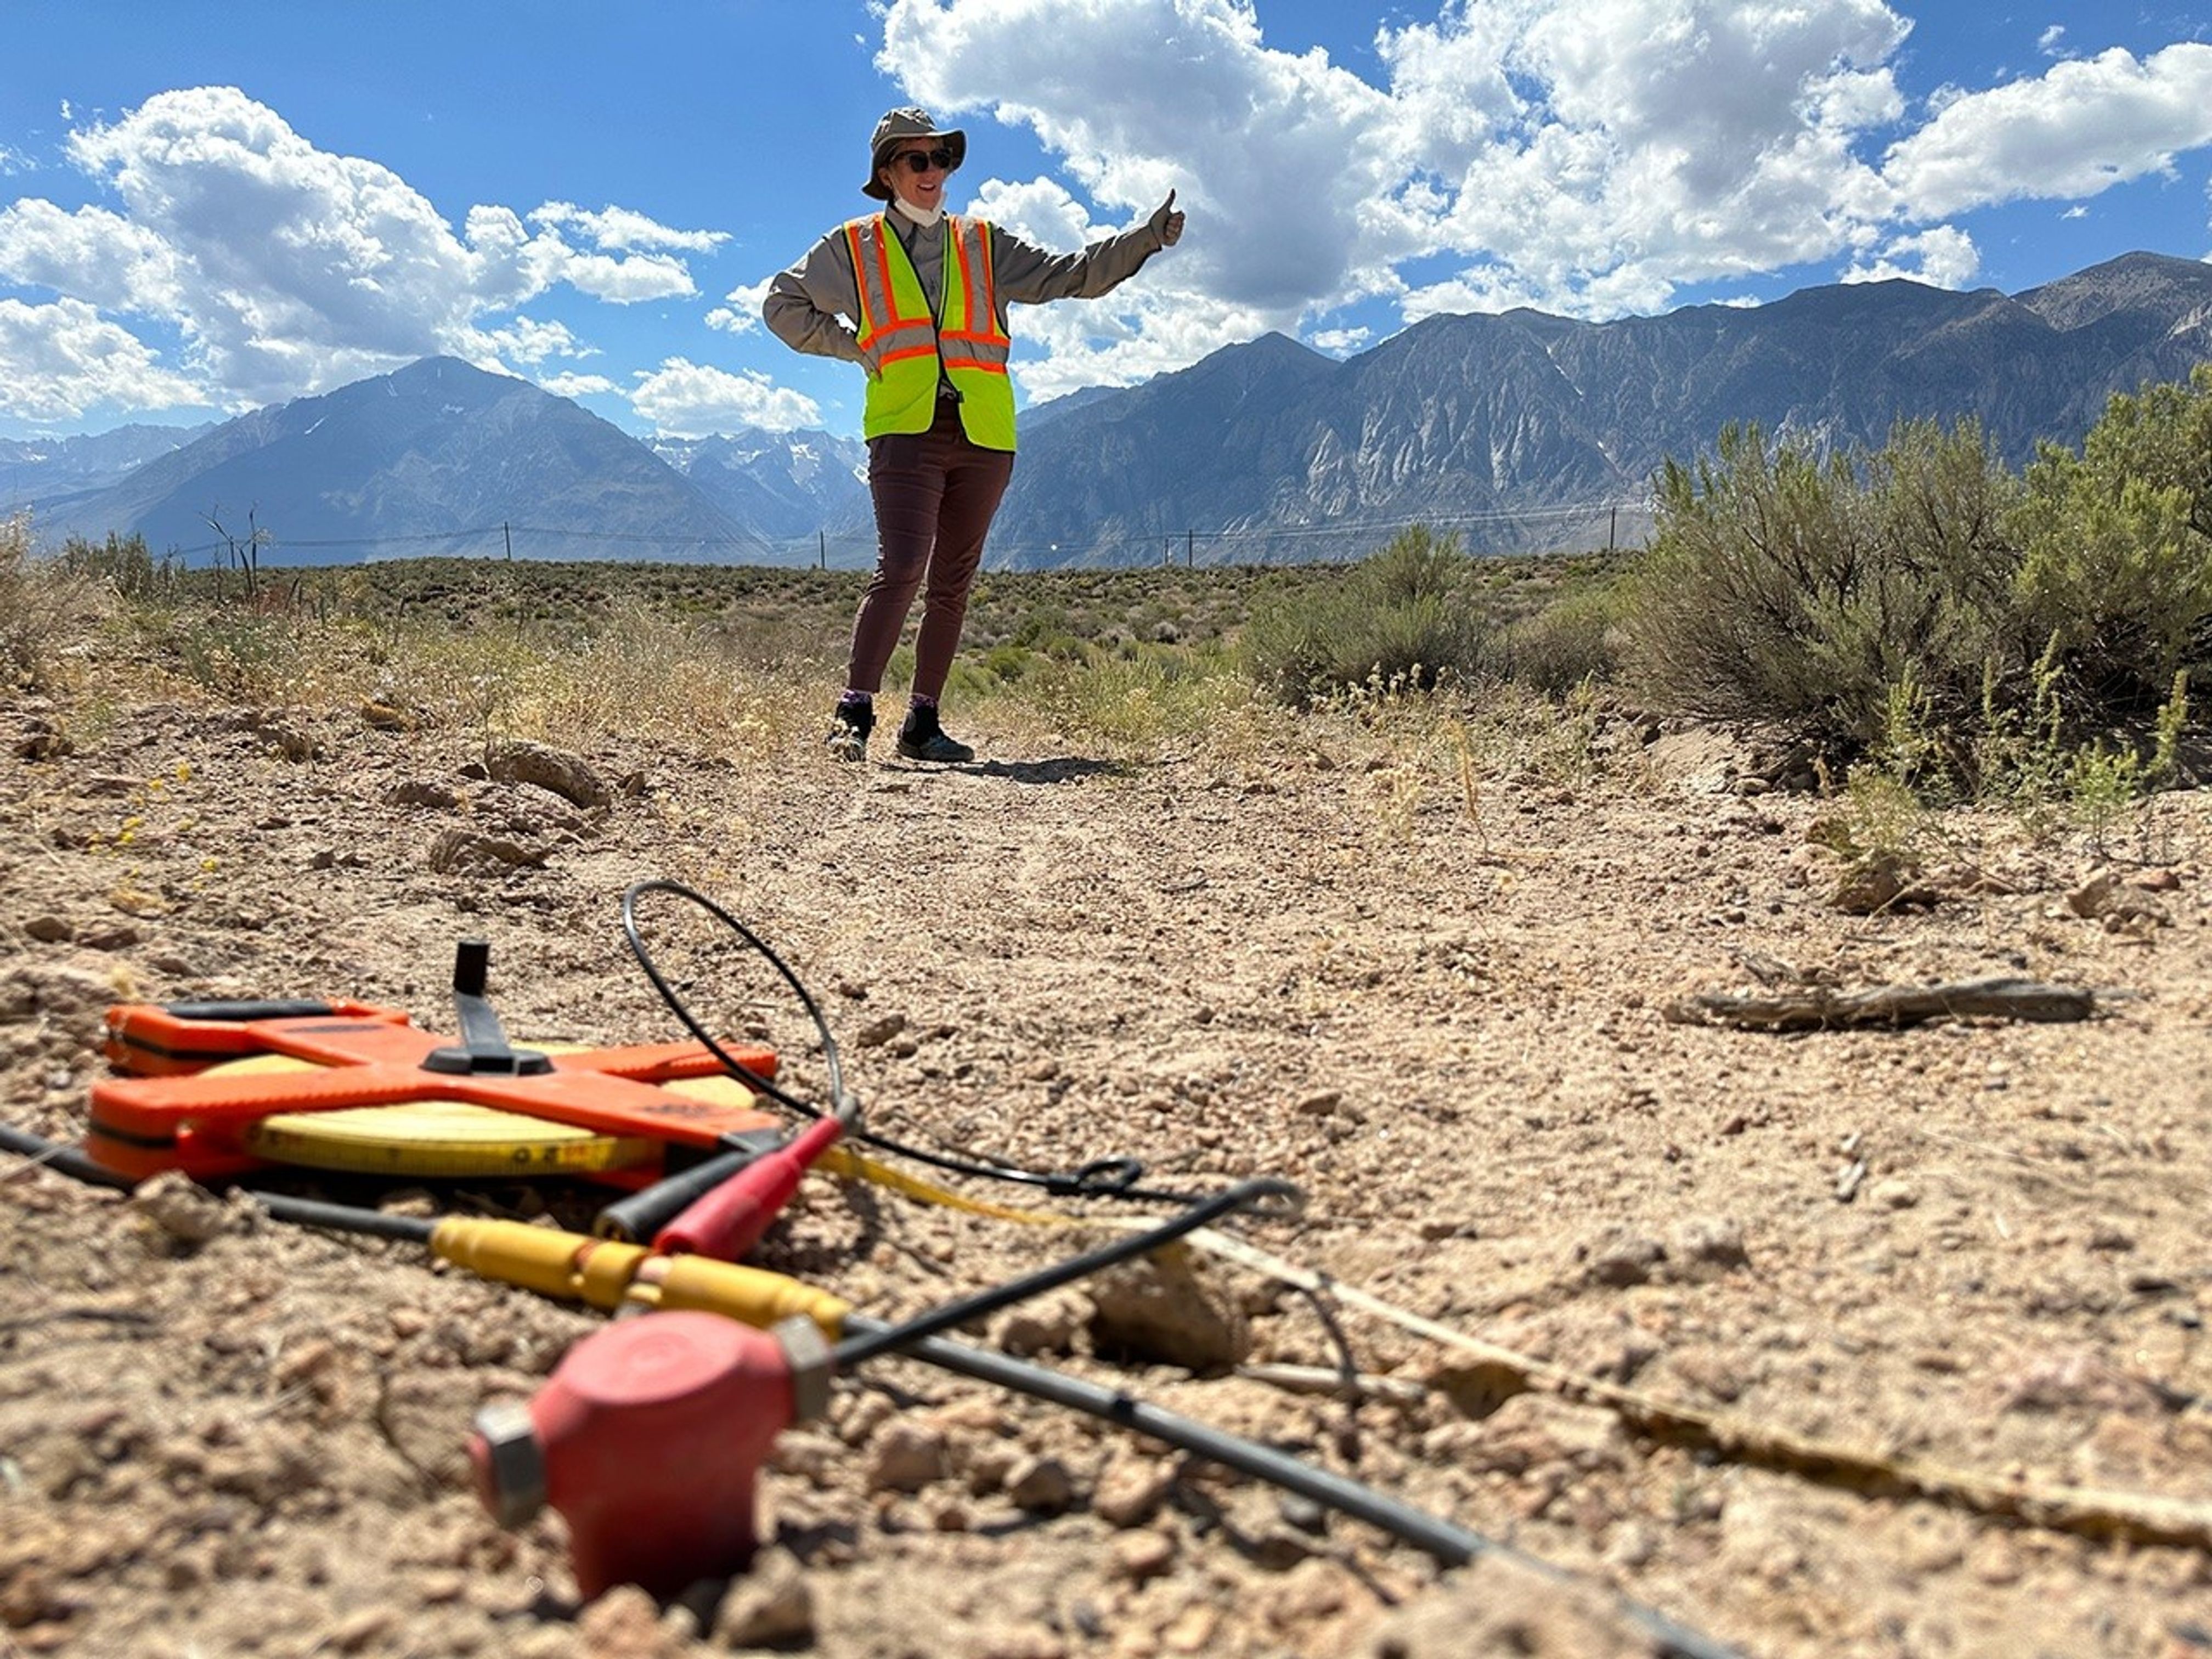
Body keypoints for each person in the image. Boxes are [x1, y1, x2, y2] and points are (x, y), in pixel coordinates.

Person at [763, 106, 1185, 763]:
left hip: (984, 434)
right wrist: (851, 349)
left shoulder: (984, 243)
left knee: (953, 580)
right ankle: (854, 714)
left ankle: (922, 725)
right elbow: (781, 306)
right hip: (904, 429)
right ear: (888, 174)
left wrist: (1146, 238)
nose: (933, 172)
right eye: (918, 160)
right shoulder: (851, 248)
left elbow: (1070, 275)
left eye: (942, 159)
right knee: (902, 567)